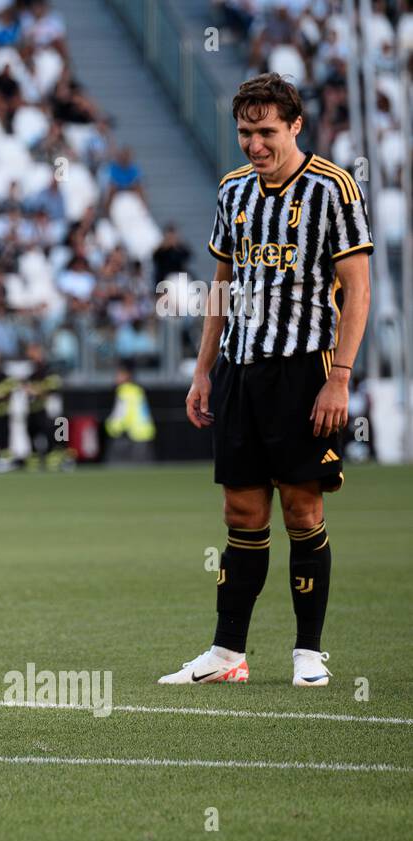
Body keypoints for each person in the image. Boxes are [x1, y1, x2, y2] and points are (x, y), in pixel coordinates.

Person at [162, 73, 372, 687]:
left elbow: (357, 291)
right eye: (246, 133)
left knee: (302, 507)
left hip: (305, 370)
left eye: (266, 132)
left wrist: (339, 377)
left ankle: (308, 652)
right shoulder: (233, 191)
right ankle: (228, 655)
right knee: (240, 510)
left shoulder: (333, 188)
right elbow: (222, 286)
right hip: (239, 371)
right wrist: (204, 372)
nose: (254, 145)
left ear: (295, 126)